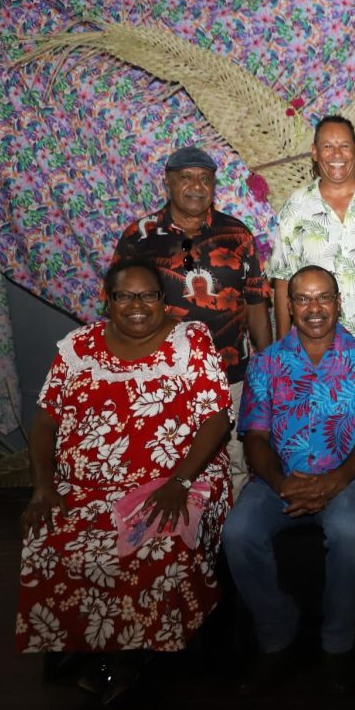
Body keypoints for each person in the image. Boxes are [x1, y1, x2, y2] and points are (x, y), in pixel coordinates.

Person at [17, 260, 232, 703]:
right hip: (85, 485)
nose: (138, 306)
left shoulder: (190, 341)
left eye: (148, 295)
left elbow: (216, 419)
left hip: (177, 479)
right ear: (108, 300)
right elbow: (45, 419)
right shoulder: (78, 346)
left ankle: (129, 655)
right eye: (125, 296)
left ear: (163, 299)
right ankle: (80, 639)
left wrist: (180, 480)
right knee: (48, 533)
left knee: (156, 540)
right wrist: (43, 485)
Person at [222, 266, 355, 694]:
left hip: (349, 477)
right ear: (290, 306)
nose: (314, 308)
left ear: (338, 303)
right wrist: (281, 484)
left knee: (349, 531)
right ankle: (278, 634)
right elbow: (256, 437)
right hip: (279, 477)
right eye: (303, 299)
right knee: (238, 533)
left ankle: (337, 645)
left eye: (323, 298)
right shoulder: (266, 363)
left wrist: (333, 482)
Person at [112, 146, 271, 496]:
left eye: (205, 179)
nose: (196, 187)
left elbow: (257, 301)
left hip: (230, 377)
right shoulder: (139, 237)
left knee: (235, 465)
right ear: (168, 182)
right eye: (186, 178)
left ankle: (232, 544)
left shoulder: (237, 234)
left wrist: (268, 364)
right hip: (162, 377)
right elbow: (117, 305)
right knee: (165, 461)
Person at [269, 114, 355, 351]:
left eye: (344, 146)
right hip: (314, 353)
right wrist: (283, 351)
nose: (336, 154)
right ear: (314, 152)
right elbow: (283, 281)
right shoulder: (296, 207)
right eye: (327, 146)